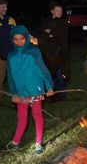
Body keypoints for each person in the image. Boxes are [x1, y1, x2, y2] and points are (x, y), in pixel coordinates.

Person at [4, 25, 54, 156]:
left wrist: (49, 86)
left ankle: (38, 143)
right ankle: (16, 141)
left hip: (35, 89)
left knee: (37, 115)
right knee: (22, 117)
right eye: (16, 39)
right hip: (21, 91)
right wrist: (13, 92)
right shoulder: (11, 55)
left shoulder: (34, 51)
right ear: (12, 39)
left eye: (22, 38)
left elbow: (43, 69)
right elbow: (10, 75)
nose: (19, 41)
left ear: (26, 38)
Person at [38, 2, 69, 101]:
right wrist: (51, 34)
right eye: (57, 10)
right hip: (48, 52)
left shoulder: (64, 22)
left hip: (60, 53)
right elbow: (42, 35)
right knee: (50, 74)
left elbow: (62, 34)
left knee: (61, 74)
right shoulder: (46, 22)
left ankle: (62, 94)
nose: (59, 12)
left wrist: (51, 33)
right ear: (52, 11)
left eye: (61, 11)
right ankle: (51, 94)